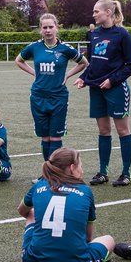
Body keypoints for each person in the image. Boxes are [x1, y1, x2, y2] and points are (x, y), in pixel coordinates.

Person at [18, 148, 115, 262]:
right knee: (109, 240)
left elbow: (22, 211)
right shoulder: (85, 191)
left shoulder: (39, 185)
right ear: (71, 168)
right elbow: (87, 237)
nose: (83, 170)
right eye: (80, 166)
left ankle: (41, 252)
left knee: (31, 213)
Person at [76, 0, 131, 186]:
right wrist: (84, 78)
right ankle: (103, 172)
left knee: (122, 130)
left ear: (109, 12)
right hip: (96, 90)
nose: (93, 15)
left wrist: (112, 80)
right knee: (103, 130)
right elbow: (94, 62)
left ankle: (126, 173)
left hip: (116, 89)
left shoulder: (122, 34)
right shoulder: (93, 34)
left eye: (96, 12)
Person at [15, 13, 87, 161]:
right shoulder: (34, 47)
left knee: (55, 137)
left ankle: (55, 173)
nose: (48, 30)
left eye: (50, 27)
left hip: (58, 97)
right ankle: (46, 173)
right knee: (45, 137)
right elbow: (19, 60)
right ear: (40, 29)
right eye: (44, 27)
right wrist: (33, 72)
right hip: (38, 96)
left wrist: (68, 75)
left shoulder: (65, 48)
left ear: (56, 28)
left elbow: (84, 63)